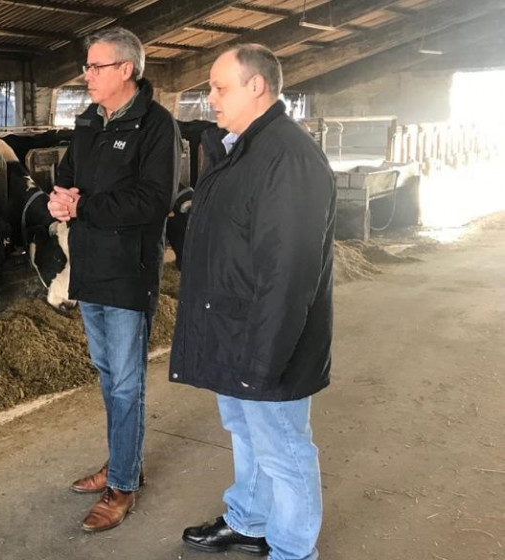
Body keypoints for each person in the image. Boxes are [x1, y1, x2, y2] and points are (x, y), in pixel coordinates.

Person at [169, 43, 335, 560]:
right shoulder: (242, 148)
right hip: (234, 331)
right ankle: (251, 520)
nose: (211, 98)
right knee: (245, 431)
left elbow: (288, 274)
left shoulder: (287, 159)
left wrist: (264, 362)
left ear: (256, 86)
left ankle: (291, 550)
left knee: (284, 450)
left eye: (220, 87)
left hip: (267, 339)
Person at [48, 26, 180, 532]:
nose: (86, 74)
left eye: (95, 66)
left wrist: (85, 207)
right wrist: (58, 199)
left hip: (129, 271)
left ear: (126, 69)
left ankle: (122, 486)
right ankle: (122, 461)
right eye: (87, 66)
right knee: (107, 375)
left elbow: (154, 200)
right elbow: (65, 175)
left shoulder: (155, 125)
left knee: (126, 384)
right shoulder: (87, 122)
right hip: (90, 267)